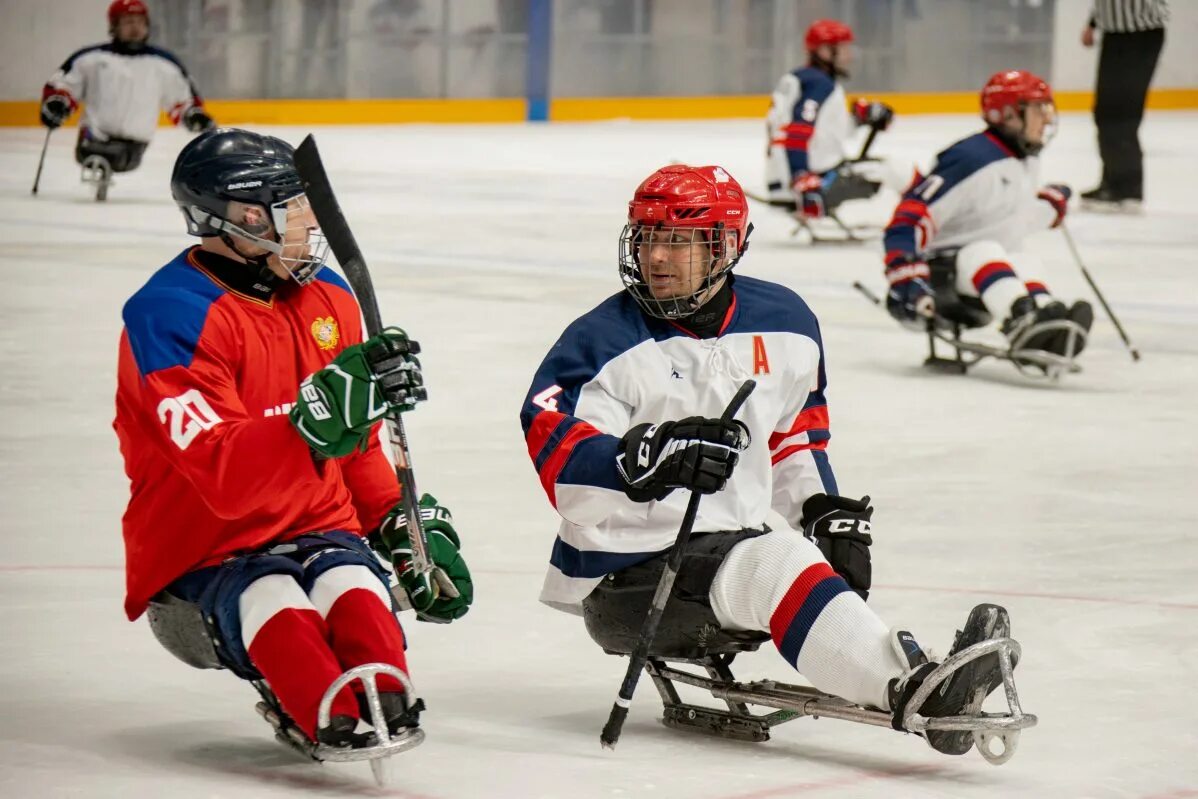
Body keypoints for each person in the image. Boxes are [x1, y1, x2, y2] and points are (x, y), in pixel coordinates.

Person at [519, 163, 1018, 755]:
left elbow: (793, 438)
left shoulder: (786, 323)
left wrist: (821, 508)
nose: (657, 257)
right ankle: (916, 692)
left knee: (793, 555)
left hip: (727, 552)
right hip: (626, 575)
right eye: (649, 237)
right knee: (776, 559)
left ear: (725, 246)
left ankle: (912, 668)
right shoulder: (597, 341)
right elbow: (561, 456)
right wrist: (647, 459)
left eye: (679, 241)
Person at [114, 128, 472, 749]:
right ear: (244, 218)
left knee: (352, 587)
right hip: (205, 545)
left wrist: (399, 522)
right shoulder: (169, 314)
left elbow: (353, 444)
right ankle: (320, 707)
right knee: (273, 597)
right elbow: (220, 473)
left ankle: (387, 698)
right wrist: (316, 417)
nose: (311, 225)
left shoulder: (329, 296)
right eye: (294, 209)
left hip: (317, 525)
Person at [882, 70, 1094, 362]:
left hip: (983, 275)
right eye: (1037, 109)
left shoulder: (1024, 158)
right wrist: (906, 275)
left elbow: (1007, 219)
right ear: (1008, 114)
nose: (1046, 118)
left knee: (1023, 258)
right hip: (940, 277)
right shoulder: (971, 159)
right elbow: (910, 218)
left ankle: (1049, 322)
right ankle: (1020, 320)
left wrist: (1047, 207)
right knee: (986, 250)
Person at [39, 0, 215, 200]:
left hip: (134, 144)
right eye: (128, 21)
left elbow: (183, 100)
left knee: (121, 158)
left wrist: (193, 115)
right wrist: (56, 104)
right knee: (93, 151)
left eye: (140, 21)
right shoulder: (90, 59)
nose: (135, 27)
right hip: (94, 137)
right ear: (114, 26)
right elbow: (63, 86)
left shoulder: (164, 64)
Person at [764, 19, 900, 220]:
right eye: (843, 48)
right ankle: (911, 222)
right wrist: (801, 177)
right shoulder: (820, 84)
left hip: (782, 177)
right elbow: (796, 131)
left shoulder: (803, 78)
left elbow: (823, 131)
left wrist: (857, 118)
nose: (849, 55)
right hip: (814, 178)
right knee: (889, 169)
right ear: (825, 51)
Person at [1080, 0, 1169, 211]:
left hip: (1141, 33)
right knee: (1105, 112)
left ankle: (1129, 189)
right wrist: (1093, 23)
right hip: (1114, 34)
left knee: (1124, 114)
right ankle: (1112, 182)